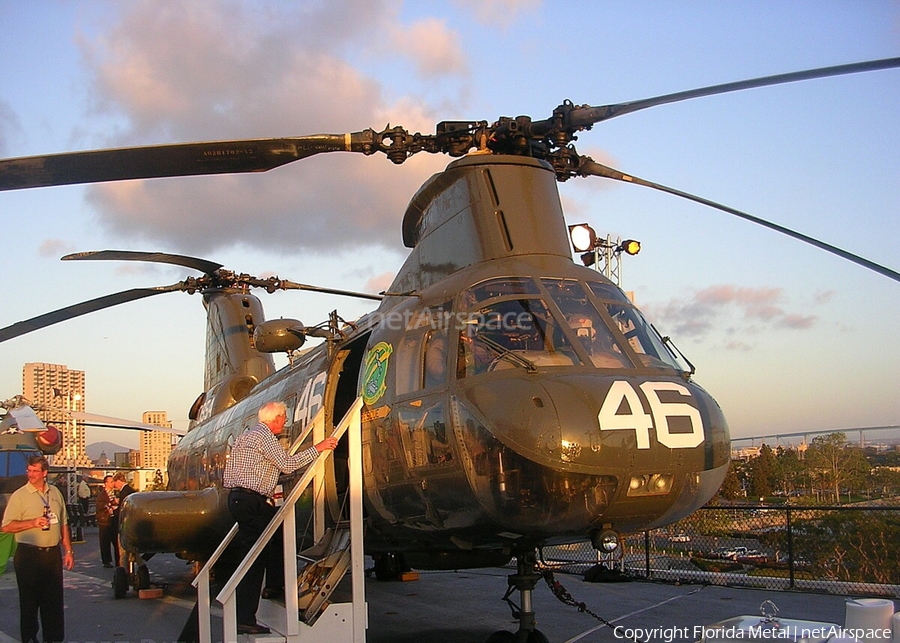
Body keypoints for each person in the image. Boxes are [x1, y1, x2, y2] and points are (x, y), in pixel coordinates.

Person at [223, 400, 338, 635]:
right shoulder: (265, 436)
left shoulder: (247, 436)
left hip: (240, 499)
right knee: (254, 560)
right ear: (274, 418)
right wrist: (320, 447)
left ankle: (274, 586)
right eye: (284, 418)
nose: (285, 422)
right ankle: (245, 617)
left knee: (277, 537)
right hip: (251, 501)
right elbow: (287, 464)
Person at [1, 455, 74, 643]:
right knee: (29, 602)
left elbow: (64, 523)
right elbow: (6, 526)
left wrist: (68, 551)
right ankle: (30, 638)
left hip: (52, 555)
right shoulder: (20, 496)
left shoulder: (56, 493)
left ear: (44, 473)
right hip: (29, 556)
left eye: (35, 471)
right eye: (29, 470)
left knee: (53, 602)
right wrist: (32, 523)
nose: (31, 474)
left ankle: (54, 638)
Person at [95, 475, 118, 568]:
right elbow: (101, 506)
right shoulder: (102, 495)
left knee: (116, 541)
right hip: (105, 521)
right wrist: (110, 506)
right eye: (111, 482)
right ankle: (106, 561)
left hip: (112, 520)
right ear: (106, 483)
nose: (113, 483)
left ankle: (118, 560)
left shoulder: (112, 493)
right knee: (105, 542)